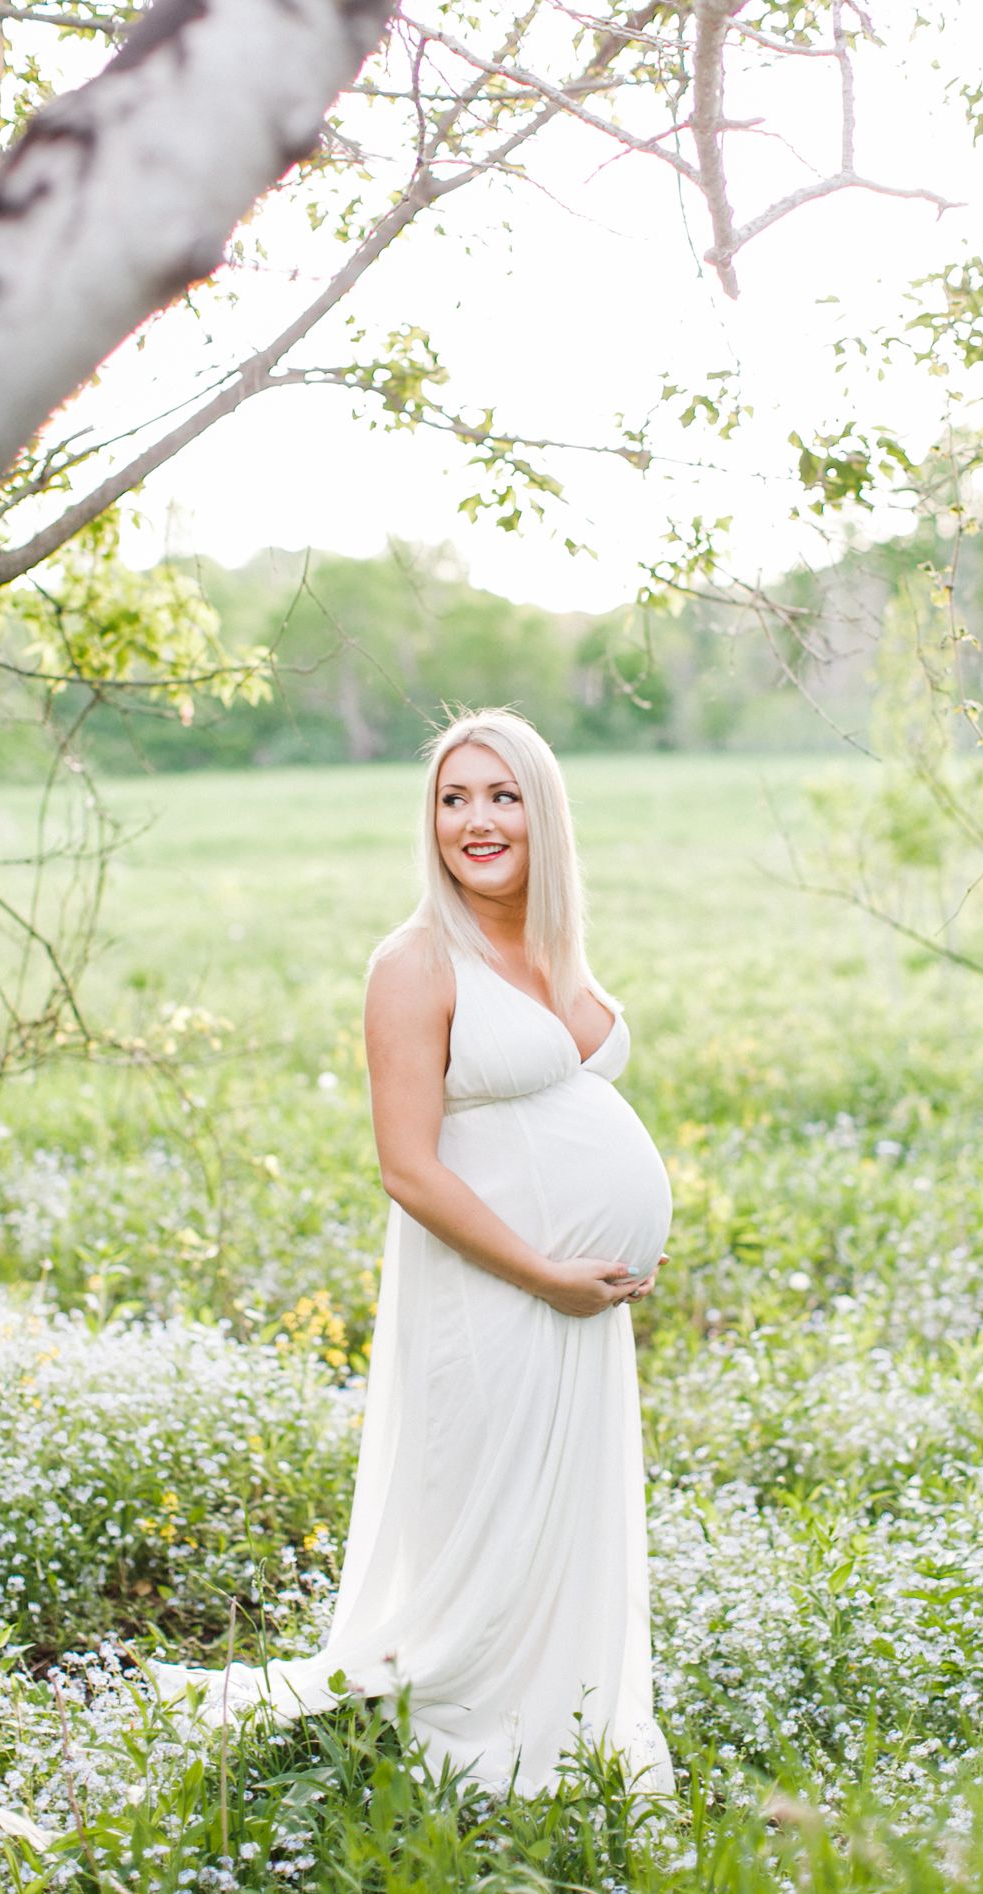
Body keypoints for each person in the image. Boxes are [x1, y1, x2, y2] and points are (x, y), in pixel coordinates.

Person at [146, 707, 674, 1797]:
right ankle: (476, 1748)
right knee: (487, 1528)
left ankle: (568, 1722)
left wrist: (602, 1255)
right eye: (451, 798)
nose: (473, 820)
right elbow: (408, 1167)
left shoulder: (551, 944)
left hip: (576, 1306)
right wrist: (544, 1271)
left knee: (561, 1521)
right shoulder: (414, 960)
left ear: (544, 811)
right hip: (493, 1296)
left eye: (499, 795)